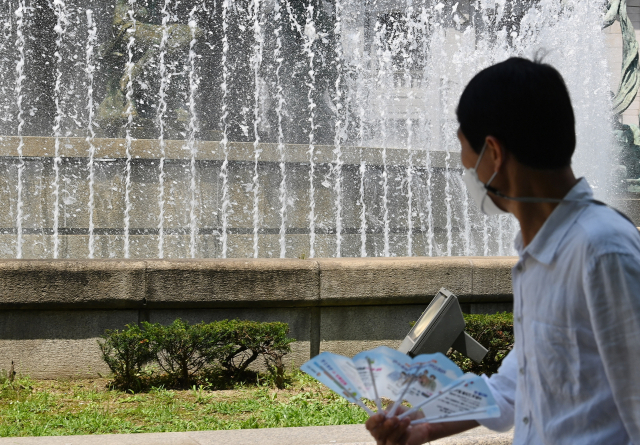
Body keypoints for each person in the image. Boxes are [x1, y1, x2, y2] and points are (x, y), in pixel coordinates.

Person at [366, 57, 640, 444]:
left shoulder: (602, 251)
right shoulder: (538, 253)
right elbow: (514, 386)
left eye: (465, 150)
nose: (465, 169)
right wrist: (422, 425)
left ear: (493, 153)